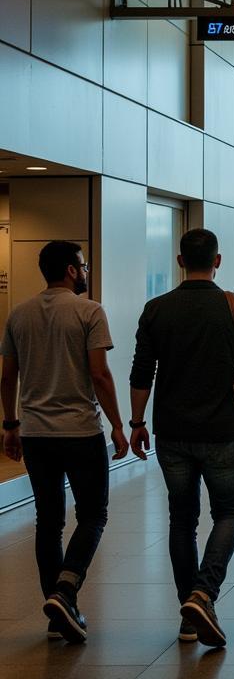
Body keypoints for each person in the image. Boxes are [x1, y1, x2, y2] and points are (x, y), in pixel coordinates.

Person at [128, 228, 234, 647]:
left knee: (182, 521)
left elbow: (141, 373)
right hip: (223, 431)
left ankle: (188, 619)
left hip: (172, 432)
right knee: (229, 514)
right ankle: (203, 593)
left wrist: (137, 424)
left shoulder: (156, 309)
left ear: (179, 262)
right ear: (218, 261)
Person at [0, 241, 132, 643]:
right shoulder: (89, 311)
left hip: (37, 434)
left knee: (49, 521)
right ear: (72, 270)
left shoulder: (18, 314)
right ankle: (66, 591)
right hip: (79, 432)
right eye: (84, 265)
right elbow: (100, 375)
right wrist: (118, 424)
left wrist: (10, 425)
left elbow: (7, 376)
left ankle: (59, 613)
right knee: (93, 515)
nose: (86, 270)